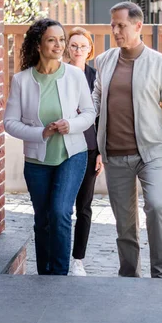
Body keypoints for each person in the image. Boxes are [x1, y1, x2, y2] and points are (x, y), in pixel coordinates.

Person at [92, 2, 162, 279]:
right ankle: (129, 277)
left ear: (138, 26)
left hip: (151, 152)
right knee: (124, 224)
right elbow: (96, 98)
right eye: (112, 25)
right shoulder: (104, 60)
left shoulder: (161, 63)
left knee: (157, 206)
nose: (115, 30)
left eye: (121, 25)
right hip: (114, 154)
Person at [4, 18, 95, 276]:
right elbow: (9, 123)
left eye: (61, 40)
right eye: (52, 40)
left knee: (59, 213)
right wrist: (40, 132)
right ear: (38, 44)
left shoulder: (75, 75)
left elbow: (89, 112)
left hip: (72, 155)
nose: (59, 45)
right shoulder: (21, 80)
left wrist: (71, 124)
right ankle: (44, 275)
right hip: (36, 161)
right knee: (42, 219)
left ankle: (58, 276)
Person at [66, 27, 104, 276]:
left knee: (84, 207)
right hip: (65, 147)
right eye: (74, 45)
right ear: (67, 48)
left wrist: (101, 151)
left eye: (83, 46)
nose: (78, 50)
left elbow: (103, 117)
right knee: (61, 207)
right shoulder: (59, 74)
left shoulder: (97, 77)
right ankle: (58, 253)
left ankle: (77, 259)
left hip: (90, 148)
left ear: (90, 49)